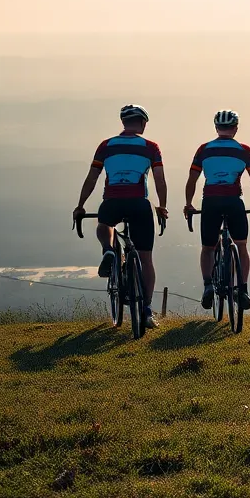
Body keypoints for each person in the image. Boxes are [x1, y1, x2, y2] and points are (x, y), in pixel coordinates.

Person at [73, 104, 169, 331]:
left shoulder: (106, 146)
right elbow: (160, 181)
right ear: (143, 123)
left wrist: (80, 205)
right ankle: (146, 310)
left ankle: (108, 249)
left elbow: (92, 178)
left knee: (104, 224)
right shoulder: (151, 147)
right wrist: (162, 206)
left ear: (123, 123)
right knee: (146, 260)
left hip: (112, 202)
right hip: (140, 205)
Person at [184, 110, 250, 313]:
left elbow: (192, 180)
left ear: (216, 128)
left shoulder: (203, 149)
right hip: (234, 202)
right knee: (241, 245)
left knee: (208, 247)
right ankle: (243, 289)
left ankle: (207, 286)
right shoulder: (244, 150)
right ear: (235, 128)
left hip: (210, 202)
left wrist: (188, 203)